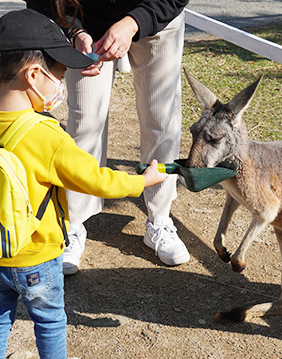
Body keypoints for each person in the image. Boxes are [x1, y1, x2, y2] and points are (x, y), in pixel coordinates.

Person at [0, 9, 167, 359]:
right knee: (49, 317)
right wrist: (142, 181)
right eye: (57, 71)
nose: (61, 82)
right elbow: (99, 181)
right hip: (36, 254)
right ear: (34, 76)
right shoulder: (44, 133)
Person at [25, 0, 191, 275]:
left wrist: (132, 23)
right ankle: (74, 223)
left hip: (155, 16)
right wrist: (74, 32)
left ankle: (159, 219)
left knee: (161, 119)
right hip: (84, 25)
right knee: (85, 123)